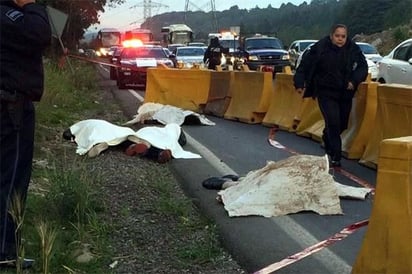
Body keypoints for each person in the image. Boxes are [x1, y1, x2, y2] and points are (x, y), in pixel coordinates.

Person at [0, 0, 51, 269]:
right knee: (12, 179)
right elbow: (40, 33)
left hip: (9, 103)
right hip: (10, 108)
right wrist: (31, 5)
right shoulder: (8, 15)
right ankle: (5, 249)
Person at [293, 24, 368, 167]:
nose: (340, 39)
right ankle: (335, 155)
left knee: (342, 124)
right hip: (325, 91)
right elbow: (304, 65)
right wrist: (299, 83)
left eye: (343, 36)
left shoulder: (352, 48)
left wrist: (354, 80)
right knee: (333, 121)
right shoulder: (320, 47)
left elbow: (362, 66)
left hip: (345, 92)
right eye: (337, 36)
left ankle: (327, 136)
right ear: (331, 36)